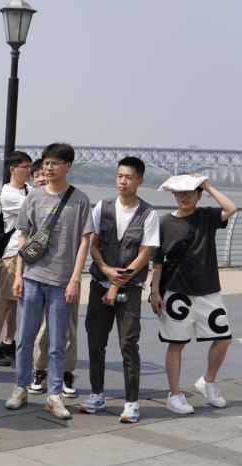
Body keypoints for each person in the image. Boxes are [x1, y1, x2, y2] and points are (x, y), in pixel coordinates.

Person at [6, 143, 93, 420]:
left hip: (61, 281)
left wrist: (75, 279)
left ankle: (54, 395)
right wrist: (18, 275)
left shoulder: (80, 200)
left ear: (68, 166)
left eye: (55, 163)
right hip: (32, 278)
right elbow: (23, 236)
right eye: (46, 162)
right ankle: (21, 388)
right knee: (24, 339)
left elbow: (85, 241)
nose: (49, 167)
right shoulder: (34, 196)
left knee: (57, 342)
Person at [79, 157, 159, 423]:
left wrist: (116, 283)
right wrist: (105, 269)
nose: (122, 181)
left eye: (128, 177)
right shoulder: (103, 207)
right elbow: (93, 246)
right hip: (99, 283)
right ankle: (97, 395)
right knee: (95, 341)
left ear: (140, 181)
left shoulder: (148, 214)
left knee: (128, 343)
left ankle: (132, 403)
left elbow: (144, 256)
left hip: (130, 288)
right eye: (119, 176)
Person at [150, 177, 237, 414]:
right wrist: (155, 292)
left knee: (224, 338)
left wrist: (207, 186)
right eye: (180, 192)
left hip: (210, 292)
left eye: (191, 192)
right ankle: (174, 396)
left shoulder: (207, 216)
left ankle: (208, 382)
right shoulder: (164, 222)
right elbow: (157, 261)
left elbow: (231, 208)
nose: (185, 196)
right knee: (177, 344)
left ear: (199, 195)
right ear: (174, 195)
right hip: (176, 293)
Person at [0, 151, 31, 367]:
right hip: (12, 254)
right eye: (25, 167)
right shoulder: (10, 194)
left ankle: (8, 342)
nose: (29, 171)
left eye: (30, 167)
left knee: (15, 301)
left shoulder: (28, 189)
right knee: (5, 302)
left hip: (25, 253)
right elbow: (39, 210)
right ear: (13, 169)